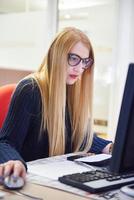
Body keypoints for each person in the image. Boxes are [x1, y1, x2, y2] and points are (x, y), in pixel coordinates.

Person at [0, 27, 113, 180]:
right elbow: (6, 142)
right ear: (56, 56)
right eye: (73, 58)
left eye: (85, 61)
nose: (79, 68)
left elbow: (80, 135)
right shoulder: (30, 90)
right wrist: (14, 162)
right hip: (32, 180)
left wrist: (113, 148)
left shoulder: (72, 90)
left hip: (59, 178)